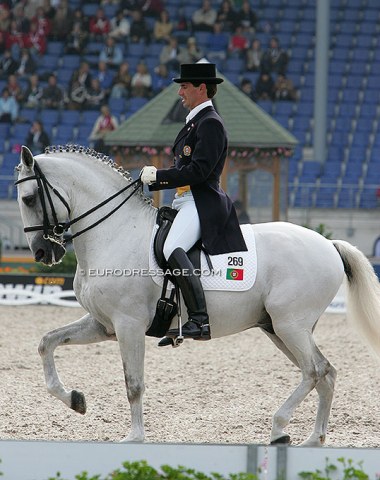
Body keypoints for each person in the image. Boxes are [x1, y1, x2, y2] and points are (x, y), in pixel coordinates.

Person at [140, 63, 247, 341]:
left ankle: (199, 319)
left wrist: (158, 177)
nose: (179, 92)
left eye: (184, 86)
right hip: (183, 201)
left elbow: (199, 172)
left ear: (201, 88)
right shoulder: (194, 122)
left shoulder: (210, 122)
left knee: (172, 246)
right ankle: (172, 311)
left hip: (201, 202)